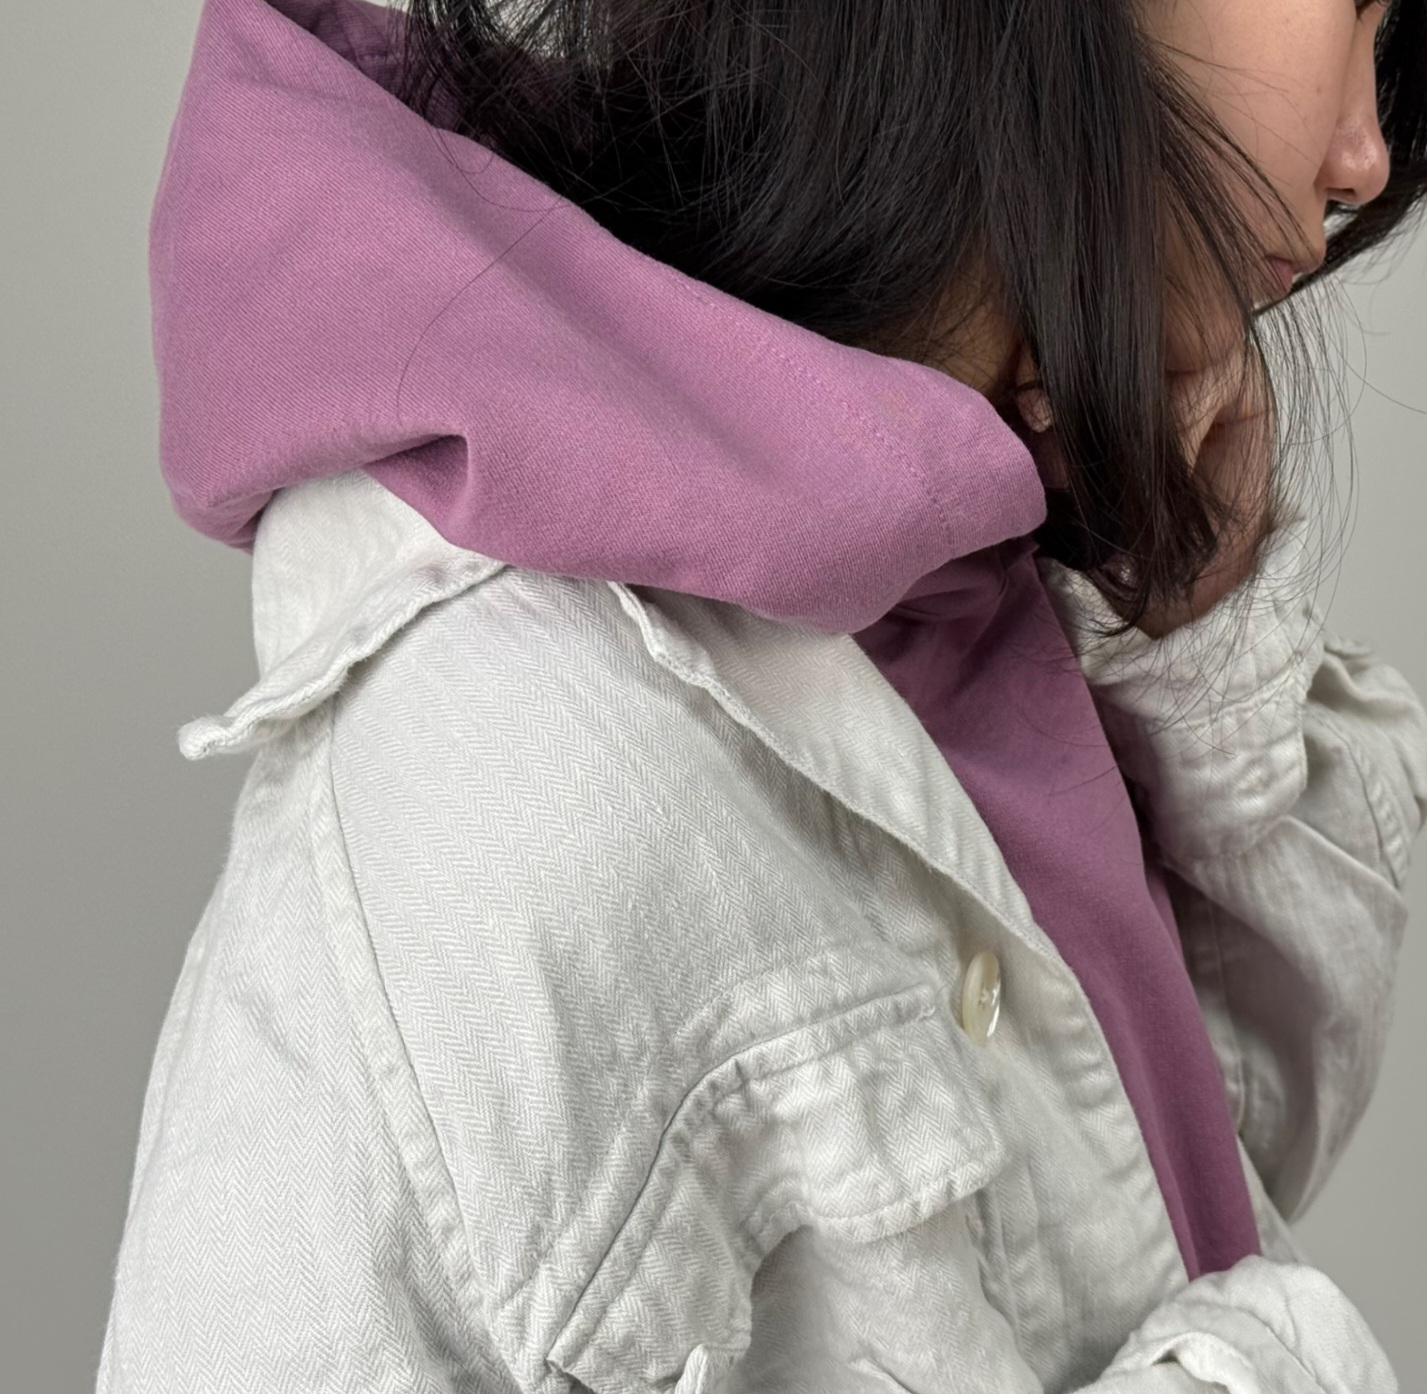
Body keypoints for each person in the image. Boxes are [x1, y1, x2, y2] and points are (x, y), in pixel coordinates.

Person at [98, 0, 1427, 1389]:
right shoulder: (500, 786)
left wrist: (1196, 644)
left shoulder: (975, 557)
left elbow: (1191, 1162)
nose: (1368, 157)